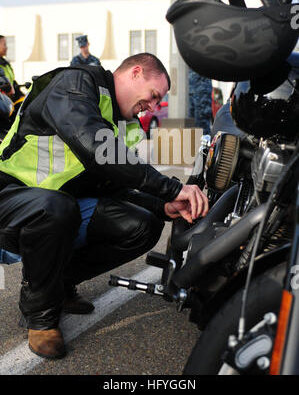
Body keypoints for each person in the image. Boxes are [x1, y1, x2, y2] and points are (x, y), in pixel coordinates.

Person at [0, 52, 208, 359]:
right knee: (57, 207)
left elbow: (116, 184)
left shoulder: (125, 123)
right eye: (153, 96)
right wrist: (172, 188)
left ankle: (57, 285)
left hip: (57, 206)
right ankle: (40, 314)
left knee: (143, 226)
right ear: (135, 72)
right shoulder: (75, 84)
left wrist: (162, 206)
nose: (152, 107)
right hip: (11, 197)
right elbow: (98, 147)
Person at [188, 68, 212, 136]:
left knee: (202, 122)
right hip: (192, 87)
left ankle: (203, 144)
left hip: (201, 87)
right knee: (192, 123)